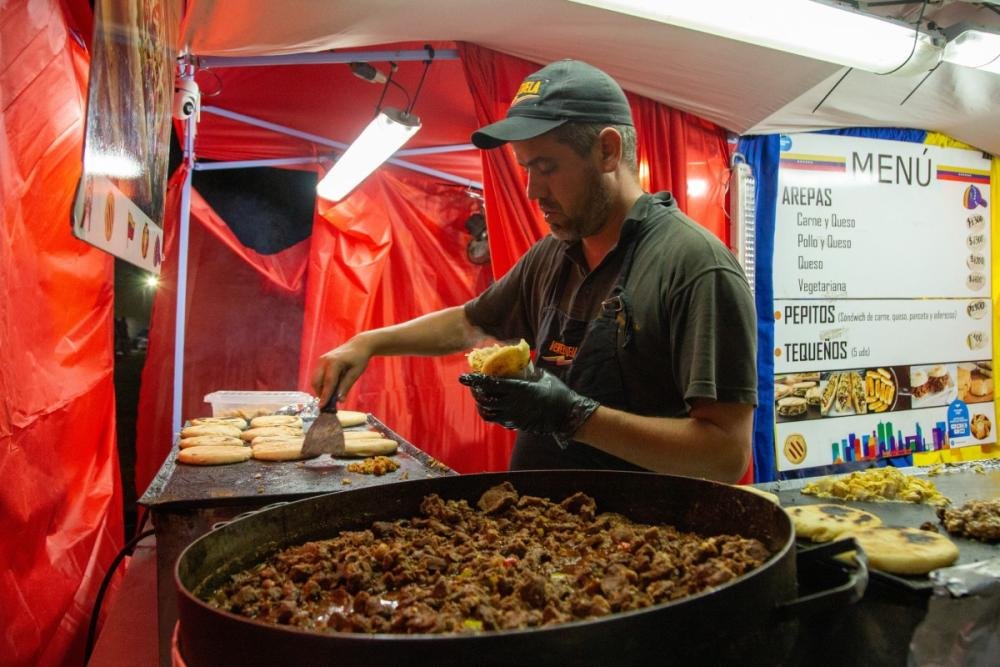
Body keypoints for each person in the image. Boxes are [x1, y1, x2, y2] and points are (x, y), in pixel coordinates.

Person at [312, 59, 757, 483]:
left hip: (637, 547)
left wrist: (573, 416)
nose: (531, 190)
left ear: (607, 150)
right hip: (537, 533)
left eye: (546, 167)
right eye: (526, 168)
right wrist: (369, 342)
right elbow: (470, 323)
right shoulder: (554, 254)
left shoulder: (694, 267)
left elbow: (724, 455)